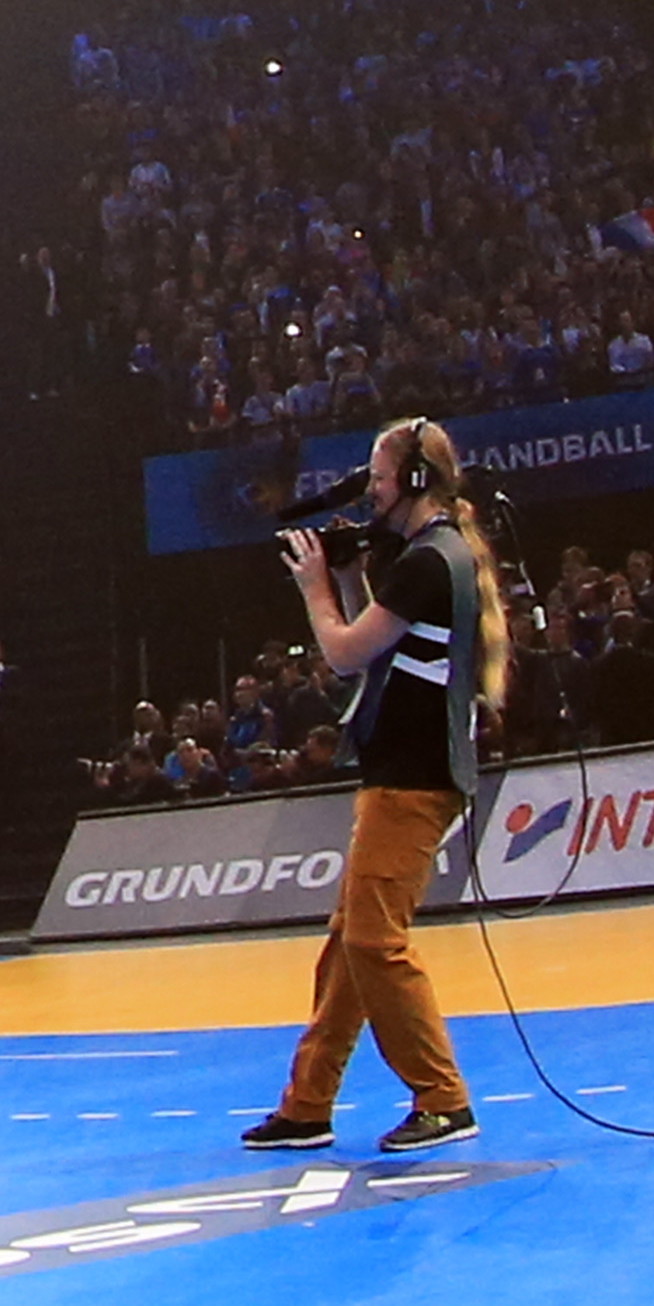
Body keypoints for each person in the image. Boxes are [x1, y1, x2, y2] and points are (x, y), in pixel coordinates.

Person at [244, 418, 492, 1157]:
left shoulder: (428, 562)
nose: (370, 490)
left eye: (378, 478)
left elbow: (348, 653)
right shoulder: (429, 556)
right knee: (348, 945)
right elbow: (384, 631)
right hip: (401, 770)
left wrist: (315, 587)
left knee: (375, 942)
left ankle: (443, 1097)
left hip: (413, 778)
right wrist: (351, 573)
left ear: (413, 481)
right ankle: (308, 1102)